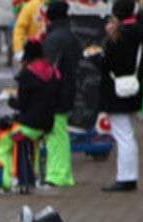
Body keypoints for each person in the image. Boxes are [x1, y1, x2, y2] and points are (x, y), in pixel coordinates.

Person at [0, 39, 61, 193]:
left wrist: (10, 100)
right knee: (32, 143)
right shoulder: (53, 71)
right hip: (47, 124)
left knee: (0, 140)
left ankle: (2, 179)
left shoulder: (27, 74)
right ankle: (31, 176)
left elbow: (21, 104)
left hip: (28, 125)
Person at [100, 0, 143, 191]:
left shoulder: (117, 37)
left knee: (122, 134)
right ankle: (129, 175)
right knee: (128, 133)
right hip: (134, 87)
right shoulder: (140, 33)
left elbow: (107, 64)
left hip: (116, 91)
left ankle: (126, 177)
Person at [41, 0, 81, 187]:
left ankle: (58, 174)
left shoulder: (54, 38)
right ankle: (62, 173)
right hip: (67, 89)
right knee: (60, 133)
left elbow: (48, 68)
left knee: (56, 135)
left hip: (56, 92)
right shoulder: (70, 35)